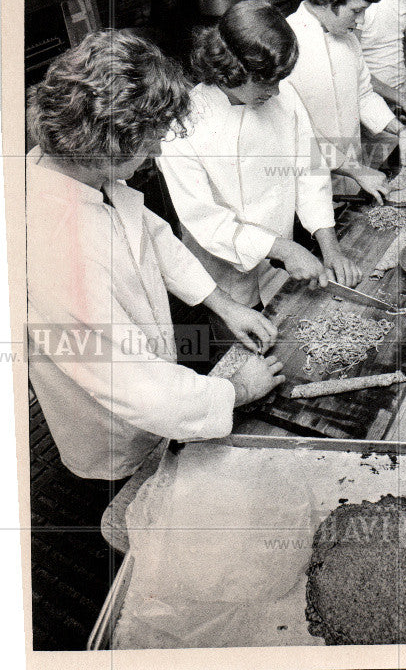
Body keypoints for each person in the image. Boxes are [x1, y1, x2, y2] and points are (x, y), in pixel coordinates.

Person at [26, 29, 284, 482]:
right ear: (108, 142)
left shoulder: (83, 174)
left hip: (156, 385)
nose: (158, 151)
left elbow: (153, 236)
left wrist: (223, 304)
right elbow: (139, 390)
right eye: (149, 142)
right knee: (132, 499)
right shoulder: (54, 252)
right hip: (114, 431)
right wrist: (238, 390)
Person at [158, 0, 362, 309]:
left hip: (281, 269)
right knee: (245, 353)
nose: (278, 91)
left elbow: (309, 169)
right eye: (268, 82)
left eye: (280, 80)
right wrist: (283, 249)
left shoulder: (282, 96)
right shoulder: (182, 128)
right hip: (224, 284)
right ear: (231, 69)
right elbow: (208, 224)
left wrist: (330, 248)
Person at [286, 0, 406, 204]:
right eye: (356, 11)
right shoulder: (287, 44)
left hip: (351, 178)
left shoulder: (348, 40)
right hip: (304, 184)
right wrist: (358, 171)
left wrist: (401, 131)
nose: (360, 22)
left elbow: (363, 95)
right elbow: (293, 133)